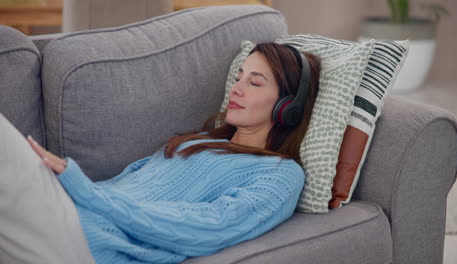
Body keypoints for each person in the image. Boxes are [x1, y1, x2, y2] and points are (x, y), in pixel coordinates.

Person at [11, 42, 321, 263]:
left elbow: (210, 226)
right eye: (239, 77)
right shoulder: (196, 141)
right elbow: (125, 188)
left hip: (90, 240)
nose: (236, 89)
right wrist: (67, 188)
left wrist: (85, 192)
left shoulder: (280, 175)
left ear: (287, 107)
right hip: (66, 208)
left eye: (254, 83)